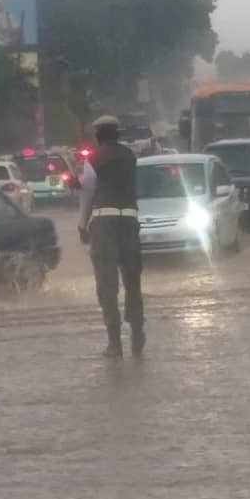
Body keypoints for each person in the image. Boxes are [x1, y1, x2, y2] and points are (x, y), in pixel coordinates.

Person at [78, 116, 145, 358]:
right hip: (129, 220)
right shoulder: (130, 157)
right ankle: (137, 334)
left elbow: (87, 192)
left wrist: (81, 224)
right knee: (132, 279)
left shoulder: (93, 160)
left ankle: (114, 343)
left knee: (107, 282)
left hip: (104, 222)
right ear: (117, 134)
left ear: (98, 135)